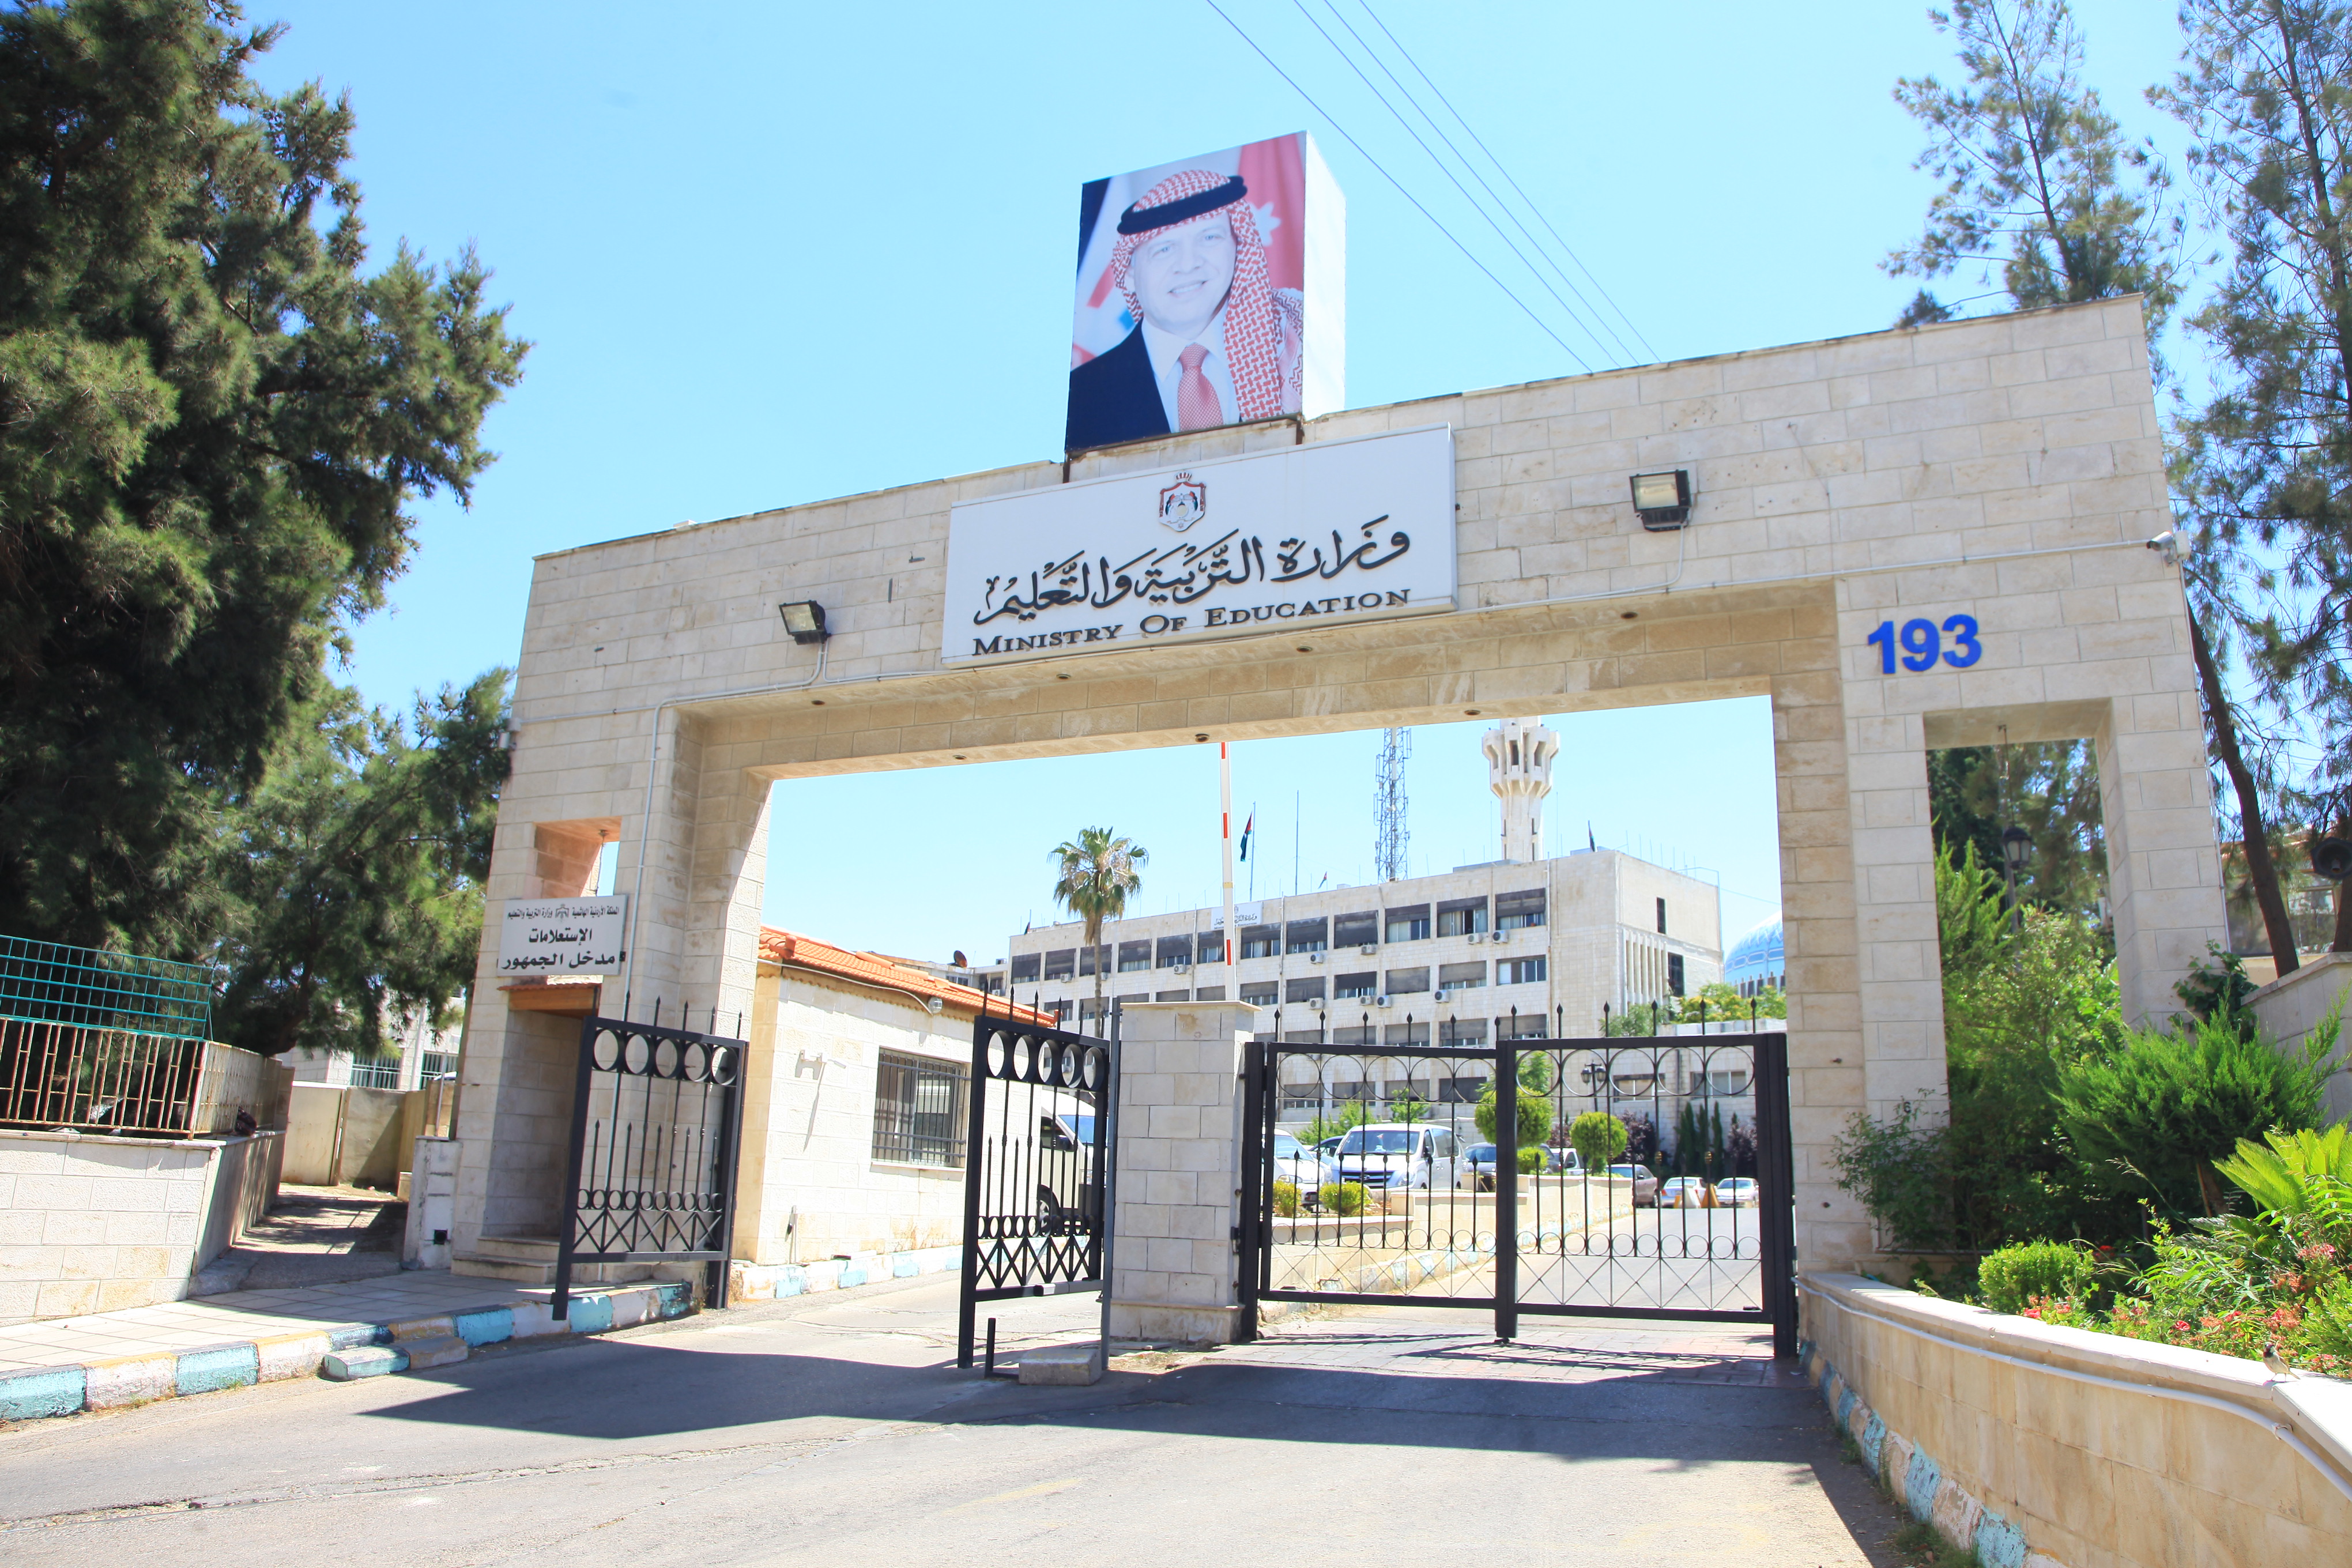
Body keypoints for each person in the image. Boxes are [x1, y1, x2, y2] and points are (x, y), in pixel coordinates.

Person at [1066, 168, 1303, 451]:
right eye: (1164, 249)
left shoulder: (1296, 345)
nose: (1188, 264)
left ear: (1239, 247)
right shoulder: (1082, 394)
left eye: (1209, 238)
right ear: (1128, 273)